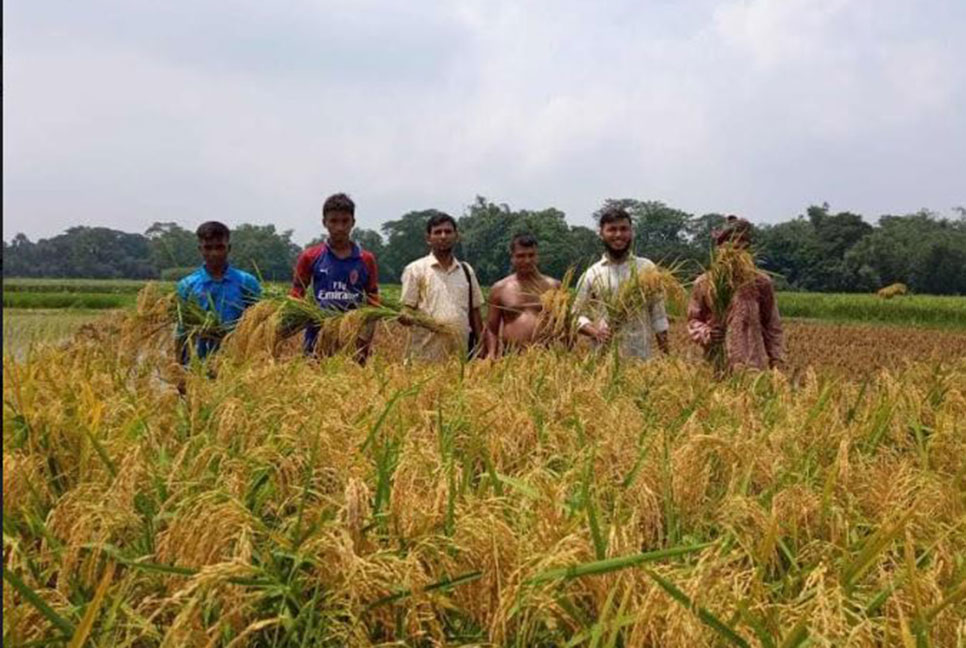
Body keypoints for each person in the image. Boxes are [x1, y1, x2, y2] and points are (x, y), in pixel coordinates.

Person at [290, 193, 380, 364]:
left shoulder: (366, 259)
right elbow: (296, 294)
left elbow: (373, 300)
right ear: (324, 222)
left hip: (353, 338)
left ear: (353, 222)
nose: (339, 227)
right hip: (318, 336)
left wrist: (364, 338)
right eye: (333, 221)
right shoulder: (310, 256)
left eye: (345, 221)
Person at [687, 216, 784, 371]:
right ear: (719, 247)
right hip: (716, 364)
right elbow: (693, 321)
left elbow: (772, 324)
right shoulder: (704, 282)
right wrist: (708, 334)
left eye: (742, 241)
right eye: (731, 241)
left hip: (752, 363)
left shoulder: (760, 282)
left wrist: (776, 358)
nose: (737, 246)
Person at [573, 206, 670, 359]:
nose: (618, 235)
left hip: (641, 360)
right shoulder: (592, 274)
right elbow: (576, 315)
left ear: (632, 232)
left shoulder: (647, 268)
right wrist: (595, 332)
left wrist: (667, 357)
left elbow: (658, 315)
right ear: (601, 233)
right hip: (604, 360)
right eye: (612, 229)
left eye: (624, 229)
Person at [400, 212, 484, 361]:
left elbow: (475, 312)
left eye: (448, 232)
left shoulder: (466, 270)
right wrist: (406, 316)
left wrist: (482, 347)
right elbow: (407, 309)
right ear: (428, 238)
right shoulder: (415, 270)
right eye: (437, 232)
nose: (443, 236)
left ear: (456, 236)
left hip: (460, 359)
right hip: (424, 358)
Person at [176, 221, 262, 364]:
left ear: (229, 248)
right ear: (200, 249)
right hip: (198, 364)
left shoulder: (246, 282)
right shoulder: (187, 285)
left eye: (220, 247)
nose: (214, 253)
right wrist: (179, 369)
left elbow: (259, 325)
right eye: (208, 248)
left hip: (237, 362)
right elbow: (182, 331)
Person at [484, 233, 560, 357]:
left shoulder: (554, 286)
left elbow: (564, 324)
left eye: (531, 255)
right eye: (521, 256)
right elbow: (492, 328)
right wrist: (491, 352)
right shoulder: (500, 288)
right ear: (512, 258)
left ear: (537, 257)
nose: (527, 260)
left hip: (547, 357)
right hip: (511, 357)